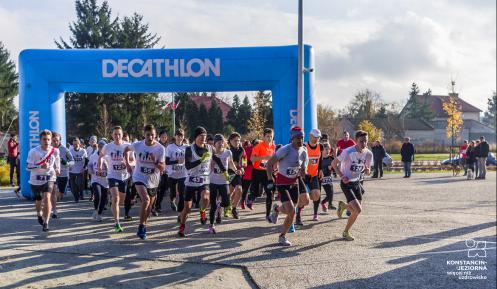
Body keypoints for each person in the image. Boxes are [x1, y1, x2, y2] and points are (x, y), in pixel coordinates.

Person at [267, 126, 308, 246]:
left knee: (291, 211)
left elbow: (303, 168)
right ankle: (282, 236)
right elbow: (269, 164)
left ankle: (276, 209)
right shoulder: (285, 149)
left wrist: (303, 172)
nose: (300, 140)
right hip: (282, 183)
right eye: (297, 138)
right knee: (291, 210)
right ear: (292, 138)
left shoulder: (304, 151)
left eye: (302, 137)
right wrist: (270, 180)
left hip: (294, 183)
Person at [124, 124, 166, 240]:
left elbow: (162, 168)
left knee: (149, 206)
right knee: (146, 200)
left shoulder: (160, 148)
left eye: (152, 135)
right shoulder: (137, 145)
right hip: (139, 177)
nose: (150, 137)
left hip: (153, 180)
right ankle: (141, 226)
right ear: (144, 135)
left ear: (155, 135)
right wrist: (127, 164)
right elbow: (126, 149)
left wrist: (154, 162)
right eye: (148, 135)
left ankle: (144, 224)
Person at [332, 130, 373, 241]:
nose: (364, 144)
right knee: (358, 210)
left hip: (356, 183)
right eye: (361, 141)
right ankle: (346, 232)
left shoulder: (368, 154)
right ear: (356, 141)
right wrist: (341, 175)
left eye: (366, 141)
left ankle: (344, 206)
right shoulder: (347, 151)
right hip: (346, 183)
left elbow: (368, 171)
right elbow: (333, 164)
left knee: (356, 209)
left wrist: (367, 170)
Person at [178, 126, 213, 237]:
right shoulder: (189, 149)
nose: (203, 138)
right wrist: (200, 160)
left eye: (205, 136)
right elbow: (188, 166)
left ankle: (202, 211)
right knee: (187, 208)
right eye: (200, 136)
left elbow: (218, 156)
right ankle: (182, 226)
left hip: (204, 180)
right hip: (191, 181)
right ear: (195, 137)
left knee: (206, 197)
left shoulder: (209, 148)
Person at [26, 130, 61, 232]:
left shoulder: (55, 151)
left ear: (51, 140)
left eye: (49, 139)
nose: (47, 141)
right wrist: (40, 166)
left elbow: (57, 159)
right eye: (44, 139)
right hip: (35, 180)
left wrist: (57, 168)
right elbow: (28, 167)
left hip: (49, 177)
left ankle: (46, 222)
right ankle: (38, 214)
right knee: (38, 200)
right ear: (40, 140)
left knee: (47, 198)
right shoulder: (33, 152)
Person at [98, 126, 131, 233]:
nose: (117, 136)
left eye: (119, 134)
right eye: (115, 134)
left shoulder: (127, 146)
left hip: (124, 176)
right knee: (116, 198)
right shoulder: (108, 146)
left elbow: (134, 160)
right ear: (112, 135)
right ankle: (117, 223)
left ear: (122, 135)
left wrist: (128, 163)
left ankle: (113, 205)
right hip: (112, 175)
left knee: (121, 201)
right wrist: (100, 166)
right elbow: (101, 156)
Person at [208, 134, 242, 233]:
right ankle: (211, 225)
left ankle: (220, 204)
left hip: (224, 181)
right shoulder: (211, 153)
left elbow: (231, 163)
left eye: (222, 142)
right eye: (218, 142)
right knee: (213, 205)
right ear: (214, 144)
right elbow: (208, 167)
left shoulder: (228, 152)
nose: (221, 144)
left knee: (226, 202)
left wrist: (236, 170)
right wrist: (211, 164)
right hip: (213, 181)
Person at [247, 128, 276, 221]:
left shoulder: (273, 146)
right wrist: (264, 157)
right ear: (263, 137)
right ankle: (250, 197)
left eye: (271, 136)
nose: (269, 138)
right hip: (257, 172)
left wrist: (275, 168)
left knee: (269, 193)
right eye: (267, 136)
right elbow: (251, 159)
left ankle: (268, 215)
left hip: (266, 172)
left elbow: (273, 159)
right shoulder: (258, 146)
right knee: (257, 193)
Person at [165, 129, 188, 223]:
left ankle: (180, 214)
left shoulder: (187, 147)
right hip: (172, 173)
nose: (179, 137)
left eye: (181, 135)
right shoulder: (170, 147)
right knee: (173, 192)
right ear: (175, 137)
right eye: (178, 136)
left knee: (182, 194)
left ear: (183, 136)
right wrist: (176, 161)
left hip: (183, 173)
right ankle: (172, 201)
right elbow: (167, 161)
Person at [302, 129, 323, 223]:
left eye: (318, 137)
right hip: (304, 175)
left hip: (314, 175)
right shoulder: (304, 146)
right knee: (302, 199)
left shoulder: (320, 146)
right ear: (310, 136)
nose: (317, 139)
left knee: (317, 195)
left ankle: (315, 214)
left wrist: (321, 169)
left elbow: (320, 159)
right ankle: (297, 217)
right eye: (315, 137)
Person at [50, 132, 74, 219]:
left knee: (60, 194)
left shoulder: (65, 149)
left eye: (57, 140)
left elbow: (72, 161)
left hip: (63, 174)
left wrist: (67, 163)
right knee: (54, 191)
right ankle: (54, 210)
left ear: (60, 140)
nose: (55, 142)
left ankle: (56, 201)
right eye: (54, 140)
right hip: (52, 174)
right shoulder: (49, 149)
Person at [88, 139, 109, 222]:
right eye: (100, 147)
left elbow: (111, 168)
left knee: (104, 198)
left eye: (103, 147)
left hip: (105, 180)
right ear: (98, 147)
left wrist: (106, 167)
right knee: (98, 194)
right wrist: (90, 170)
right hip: (95, 179)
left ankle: (99, 214)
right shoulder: (93, 156)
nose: (101, 149)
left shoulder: (108, 156)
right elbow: (89, 165)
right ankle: (95, 210)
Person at [228, 132, 246, 219]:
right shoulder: (227, 150)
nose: (237, 142)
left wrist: (242, 168)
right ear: (230, 141)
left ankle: (234, 209)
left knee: (239, 190)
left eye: (239, 141)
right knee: (229, 193)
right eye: (235, 141)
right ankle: (220, 206)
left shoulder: (242, 150)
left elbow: (244, 160)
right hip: (228, 173)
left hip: (237, 173)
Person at [153, 130, 169, 215]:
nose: (164, 138)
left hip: (165, 171)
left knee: (163, 189)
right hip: (157, 170)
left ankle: (158, 205)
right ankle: (154, 206)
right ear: (159, 137)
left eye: (165, 137)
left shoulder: (168, 146)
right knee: (156, 189)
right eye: (162, 137)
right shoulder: (156, 146)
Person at [320, 141, 336, 211]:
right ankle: (322, 203)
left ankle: (329, 204)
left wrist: (332, 169)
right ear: (322, 150)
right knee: (317, 195)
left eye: (329, 149)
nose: (328, 151)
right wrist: (326, 168)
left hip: (328, 178)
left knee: (330, 193)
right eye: (326, 149)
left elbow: (335, 167)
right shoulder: (320, 158)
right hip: (320, 178)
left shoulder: (331, 158)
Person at [240, 140, 256, 210]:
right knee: (246, 188)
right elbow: (243, 159)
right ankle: (242, 202)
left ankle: (250, 202)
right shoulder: (247, 149)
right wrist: (245, 165)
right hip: (248, 171)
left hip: (257, 171)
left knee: (254, 188)